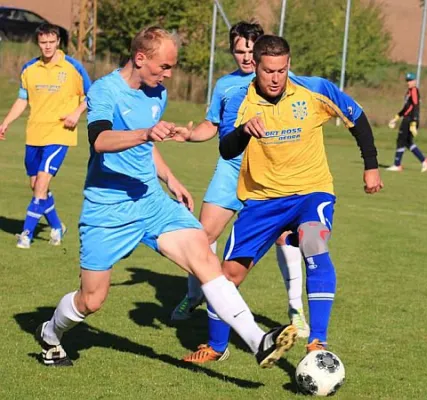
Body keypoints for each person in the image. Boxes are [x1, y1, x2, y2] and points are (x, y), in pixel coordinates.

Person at [34, 27, 297, 369]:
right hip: (108, 210)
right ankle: (51, 333)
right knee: (92, 299)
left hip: (152, 202)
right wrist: (144, 132)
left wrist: (170, 177)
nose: (169, 75)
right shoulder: (104, 91)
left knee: (203, 255)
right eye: (165, 67)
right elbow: (100, 140)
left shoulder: (156, 93)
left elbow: (147, 146)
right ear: (140, 58)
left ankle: (257, 340)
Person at [182, 35, 383, 363]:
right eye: (269, 71)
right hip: (262, 200)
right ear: (256, 67)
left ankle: (317, 341)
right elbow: (226, 149)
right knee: (227, 274)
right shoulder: (240, 100)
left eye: (282, 69)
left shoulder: (314, 89)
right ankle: (216, 346)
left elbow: (356, 117)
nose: (276, 77)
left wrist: (371, 166)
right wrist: (243, 131)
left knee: (314, 243)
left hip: (311, 191)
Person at [172, 22, 309, 353]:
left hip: (269, 173)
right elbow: (212, 125)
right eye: (239, 50)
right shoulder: (225, 85)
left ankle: (296, 309)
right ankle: (194, 296)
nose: (246, 56)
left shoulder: (277, 82)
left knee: (283, 236)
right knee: (201, 237)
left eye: (251, 49)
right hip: (231, 170)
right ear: (232, 51)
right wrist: (190, 134)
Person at [0, 23, 91, 249]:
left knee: (41, 185)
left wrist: (76, 113)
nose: (48, 46)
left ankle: (26, 234)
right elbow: (23, 100)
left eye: (51, 42)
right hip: (34, 135)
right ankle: (57, 226)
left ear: (58, 42)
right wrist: (6, 122)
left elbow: (92, 95)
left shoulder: (73, 67)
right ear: (38, 43)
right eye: (43, 42)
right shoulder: (29, 68)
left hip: (60, 134)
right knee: (36, 186)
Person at [387, 72, 427, 172]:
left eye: (410, 80)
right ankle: (424, 161)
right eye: (407, 81)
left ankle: (397, 165)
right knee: (407, 142)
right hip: (407, 118)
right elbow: (407, 107)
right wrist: (396, 117)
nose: (409, 82)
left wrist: (414, 122)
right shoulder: (409, 91)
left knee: (401, 140)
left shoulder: (414, 90)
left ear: (415, 81)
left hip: (410, 120)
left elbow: (415, 106)